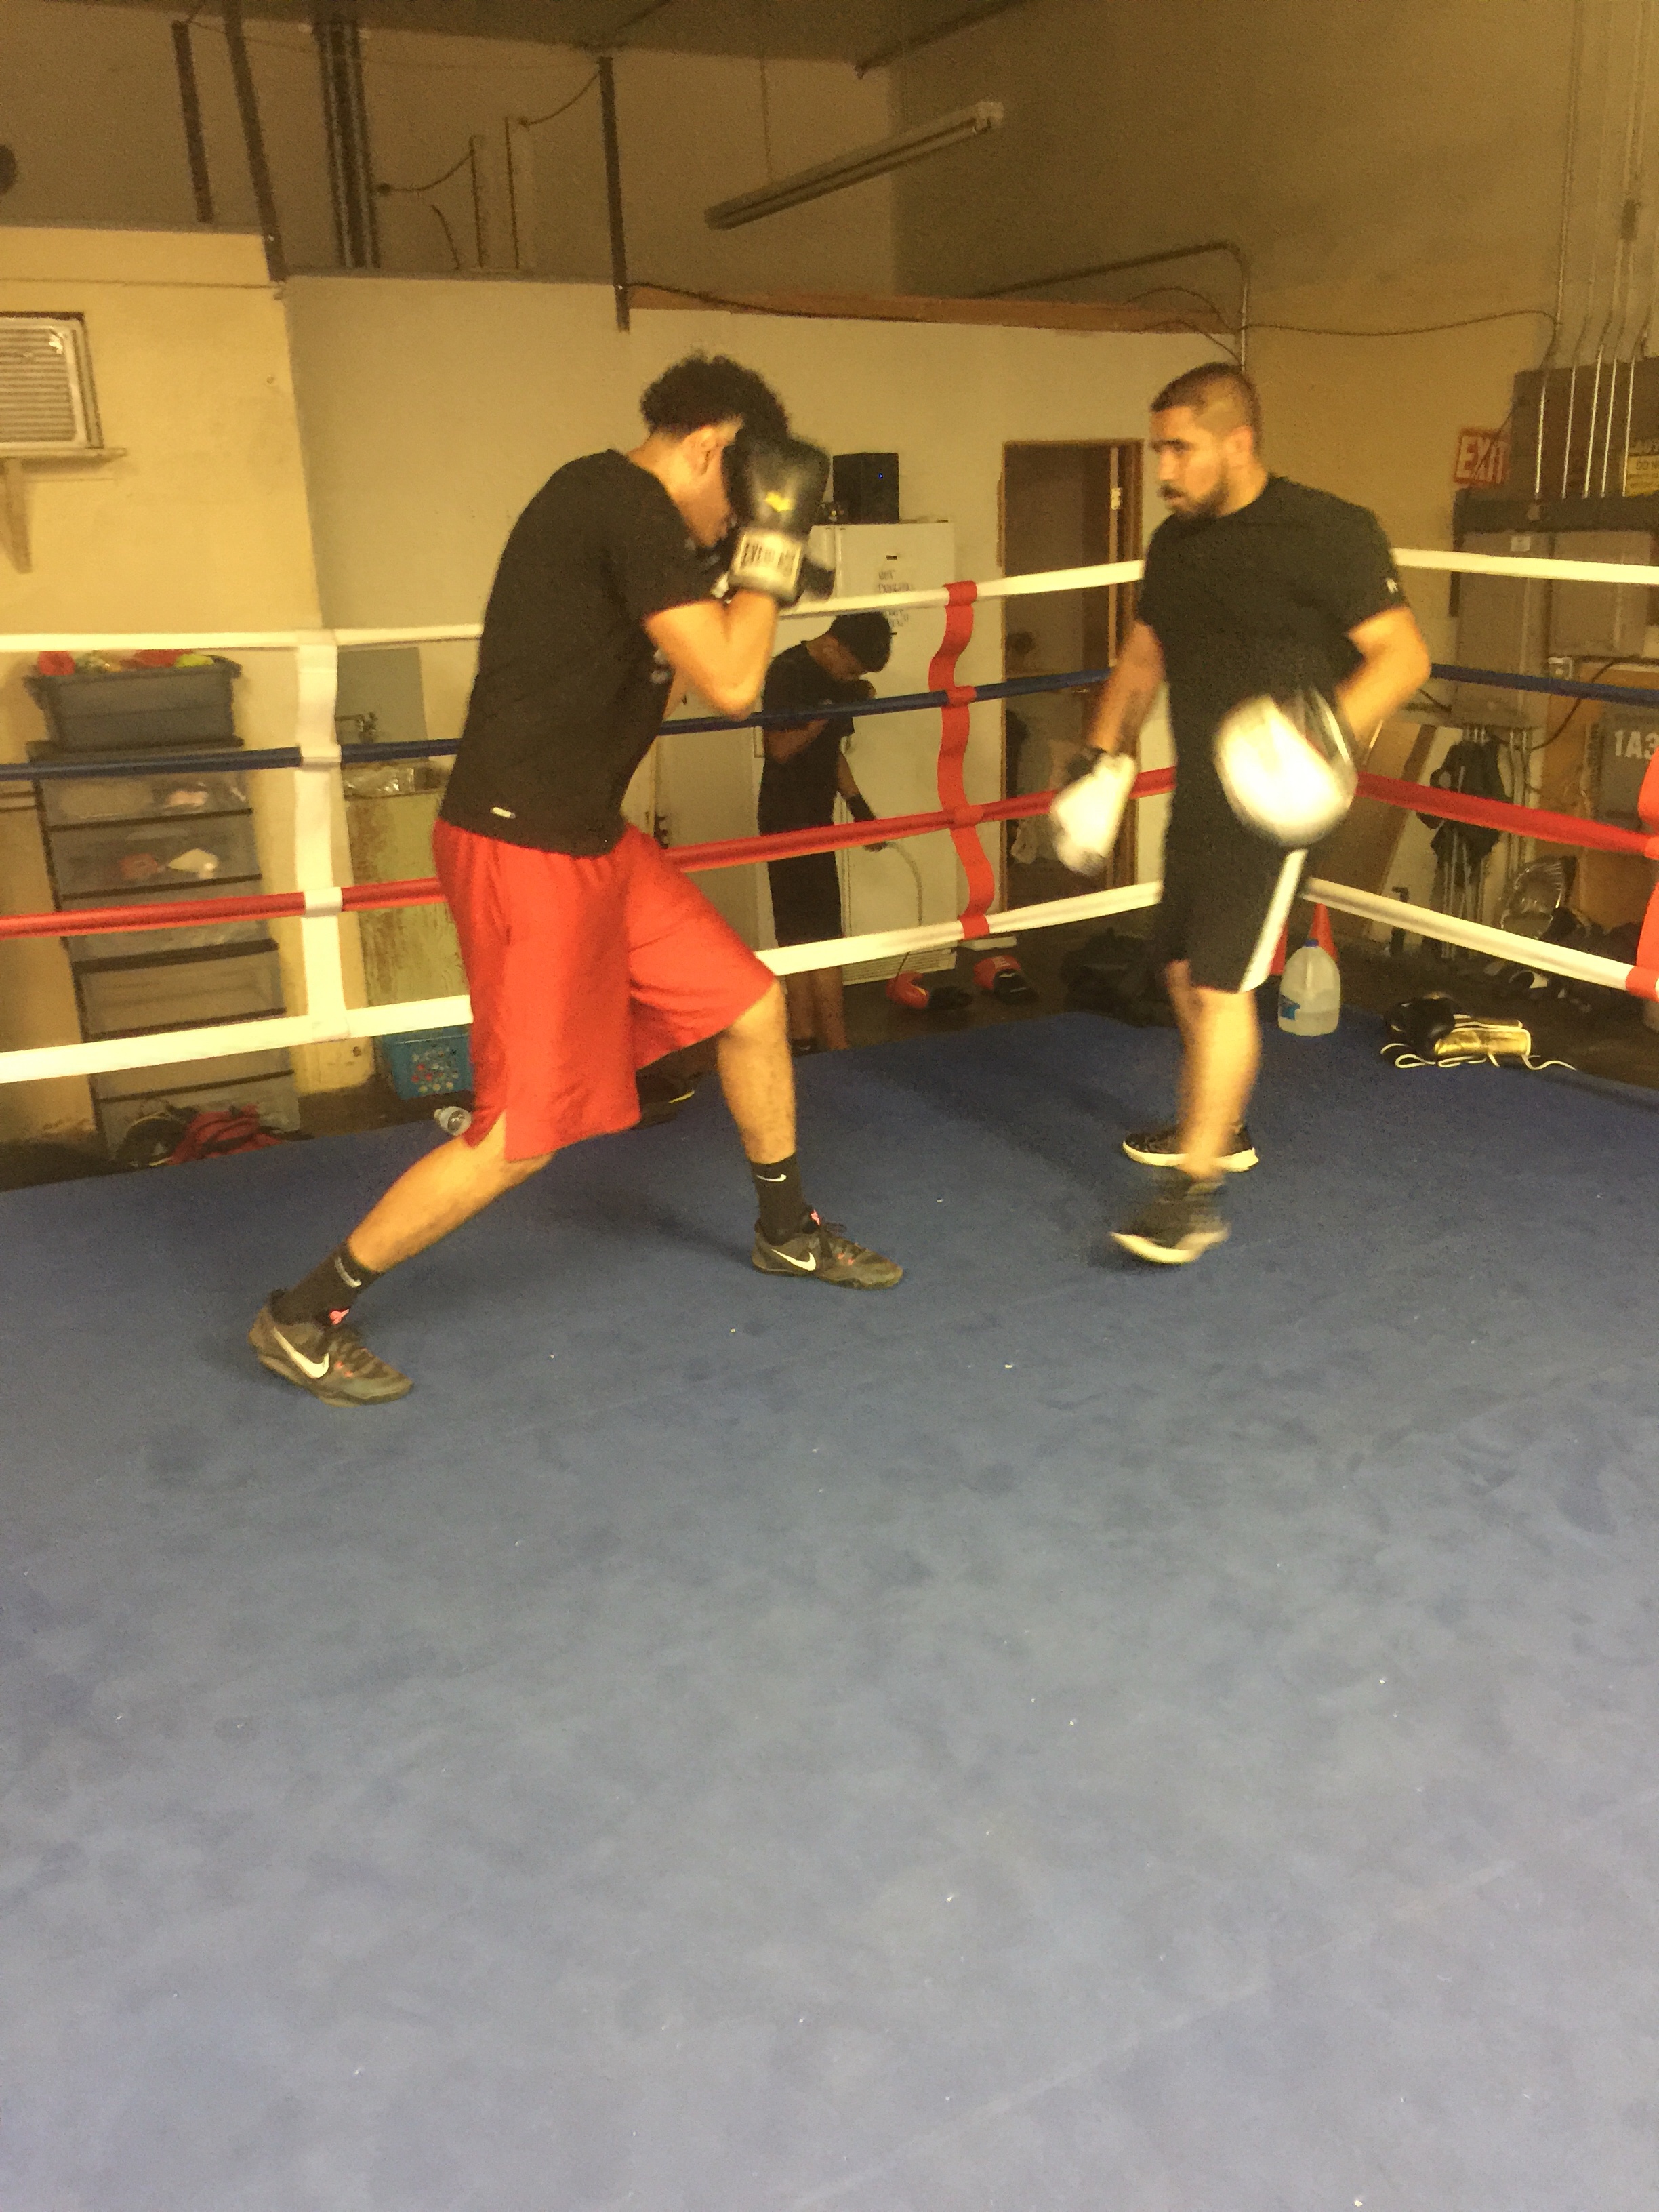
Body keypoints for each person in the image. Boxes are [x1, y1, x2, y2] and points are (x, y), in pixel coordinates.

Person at [250, 354, 901, 1406]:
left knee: (748, 1005)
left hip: (593, 839)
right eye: (740, 498)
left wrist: (739, 570)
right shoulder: (616, 502)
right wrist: (770, 553)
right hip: (522, 848)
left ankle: (787, 1229)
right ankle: (303, 1313)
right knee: (518, 1137)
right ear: (709, 449)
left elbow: (698, 659)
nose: (734, 527)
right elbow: (737, 683)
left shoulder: (648, 531)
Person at [1067, 361, 1430, 1264]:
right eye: (1158, 450)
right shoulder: (1176, 544)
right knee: (1180, 973)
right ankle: (1216, 1127)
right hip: (1201, 791)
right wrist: (1098, 762)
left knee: (1221, 984)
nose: (1164, 469)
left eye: (1180, 449)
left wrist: (1318, 738)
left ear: (1239, 442)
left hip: (1278, 805)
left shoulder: (1330, 530)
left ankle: (1192, 1195)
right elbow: (1142, 660)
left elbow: (1403, 657)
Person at [757, 610, 894, 1053]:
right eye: (851, 669)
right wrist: (828, 710)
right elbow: (779, 748)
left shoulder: (835, 680)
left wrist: (860, 809)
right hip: (784, 815)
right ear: (833, 645)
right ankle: (832, 1044)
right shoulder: (788, 671)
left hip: (817, 813)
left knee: (813, 926)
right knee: (810, 929)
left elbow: (830, 752)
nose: (851, 678)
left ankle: (805, 1038)